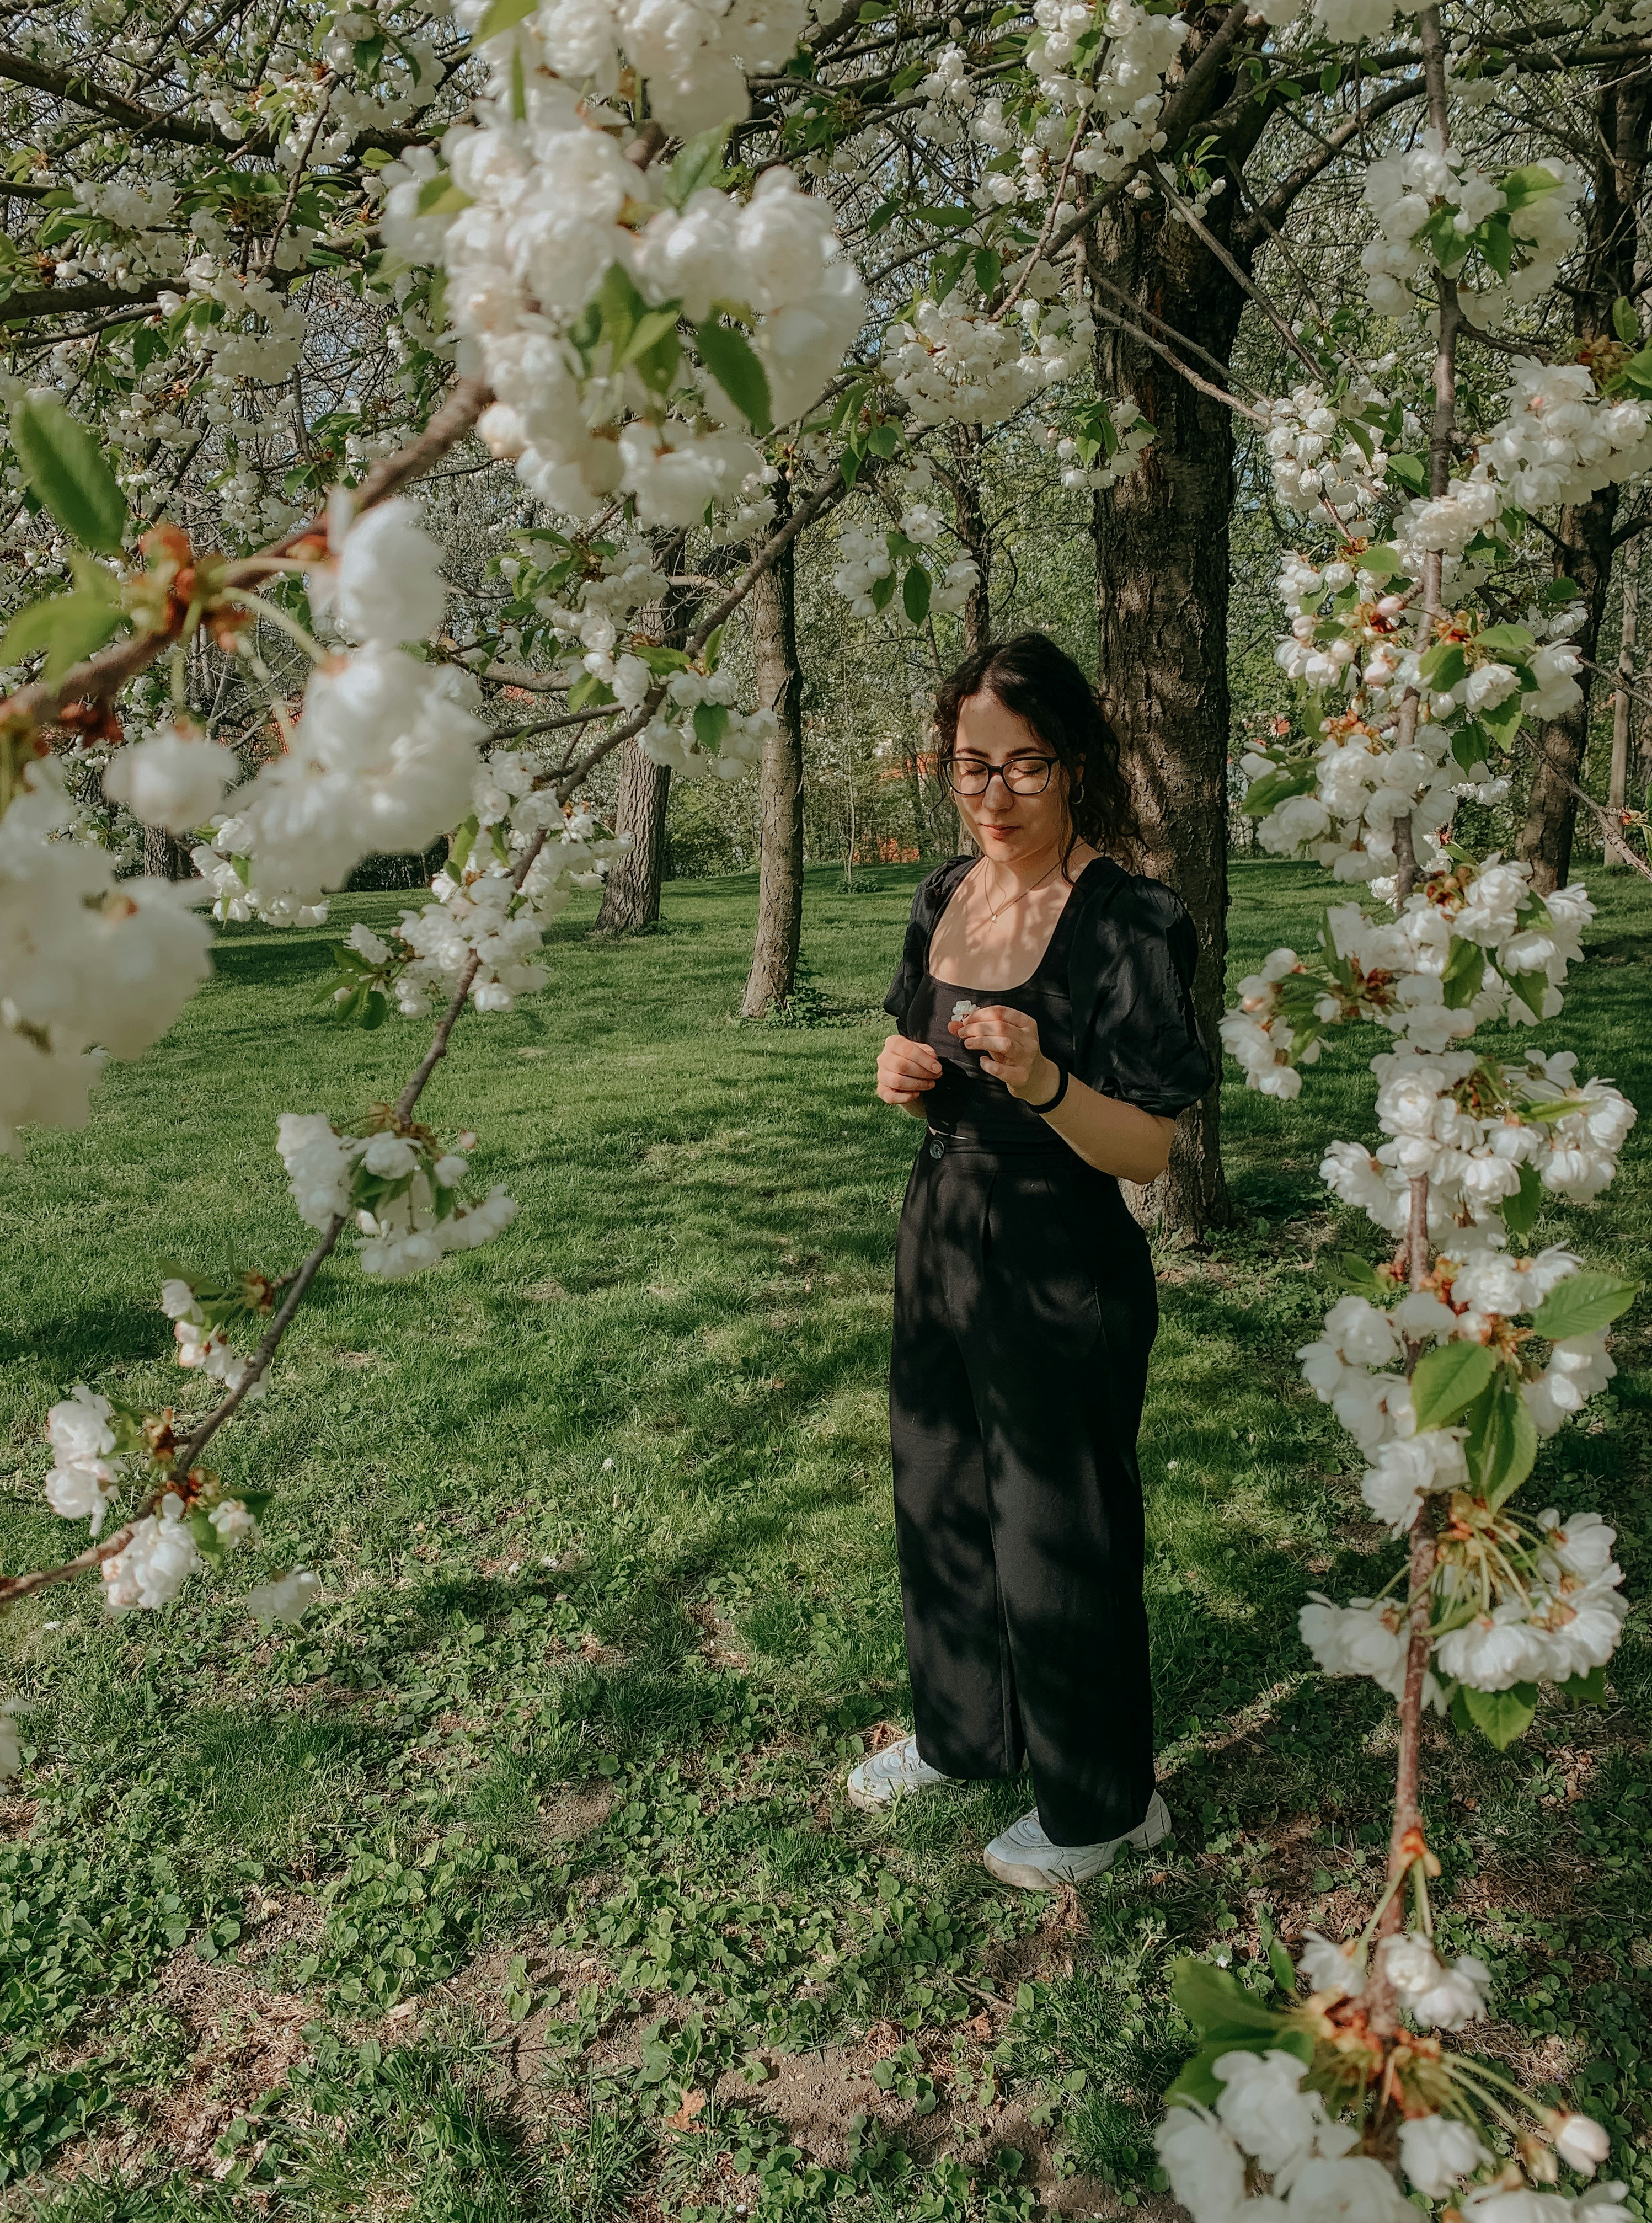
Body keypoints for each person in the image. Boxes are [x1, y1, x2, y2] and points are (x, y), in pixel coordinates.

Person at [852, 631, 1214, 1890]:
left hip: (1060, 1247)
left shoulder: (1128, 922)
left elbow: (1149, 1149)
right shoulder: (944, 893)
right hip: (939, 1225)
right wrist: (902, 1077)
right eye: (972, 765)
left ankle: (1104, 1806)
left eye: (1025, 764)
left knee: (1058, 1522)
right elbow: (921, 1074)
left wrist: (1048, 1079)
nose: (995, 795)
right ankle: (965, 1733)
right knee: (940, 1484)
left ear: (1077, 763)